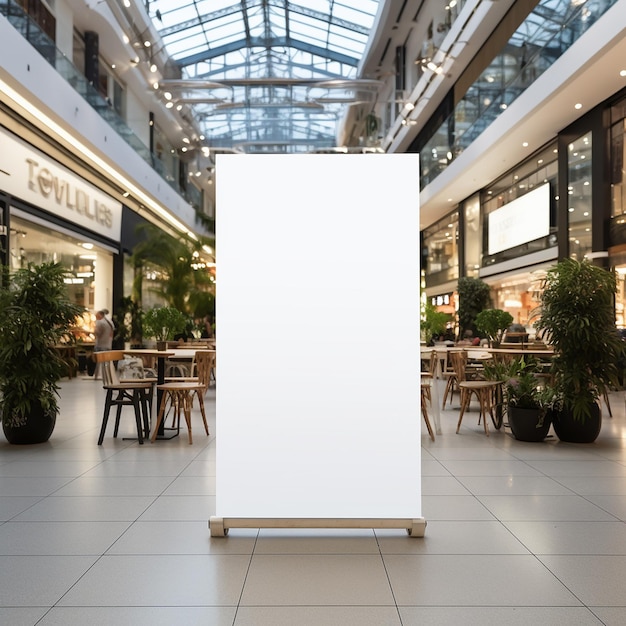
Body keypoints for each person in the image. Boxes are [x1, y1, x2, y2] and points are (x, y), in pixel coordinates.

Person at [93, 310, 114, 378]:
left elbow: (97, 333)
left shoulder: (100, 322)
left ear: (100, 315)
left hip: (101, 344)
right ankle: (107, 374)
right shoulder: (110, 322)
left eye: (96, 315)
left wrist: (94, 330)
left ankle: (98, 375)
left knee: (99, 361)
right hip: (108, 344)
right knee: (107, 361)